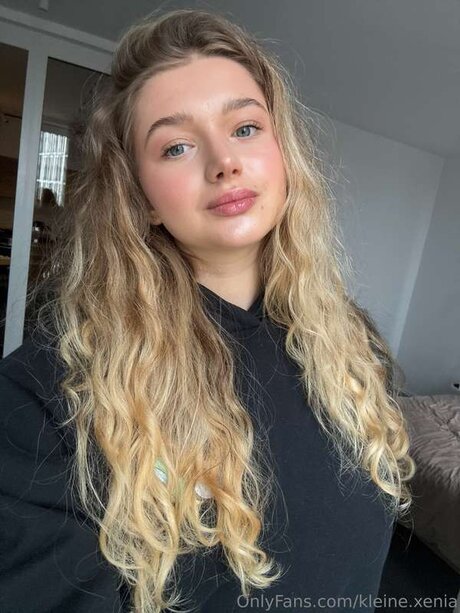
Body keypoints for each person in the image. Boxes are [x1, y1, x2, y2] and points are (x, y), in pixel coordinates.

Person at [0, 8, 416, 613]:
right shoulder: (44, 395)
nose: (224, 161)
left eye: (245, 128)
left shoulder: (353, 343)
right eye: (176, 146)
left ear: (283, 155)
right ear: (141, 198)